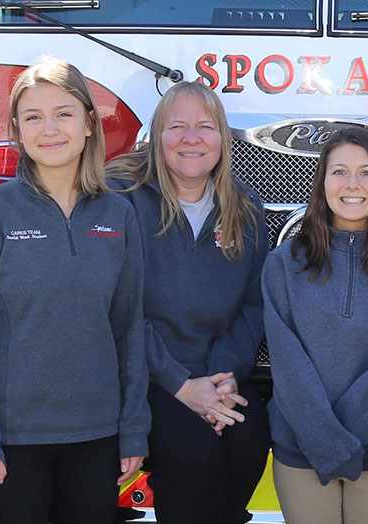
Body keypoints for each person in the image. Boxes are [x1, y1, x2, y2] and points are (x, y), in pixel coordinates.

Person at [0, 57, 149, 524]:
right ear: (17, 130)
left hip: (97, 439)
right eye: (33, 117)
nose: (50, 128)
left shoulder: (118, 216)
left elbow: (129, 329)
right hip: (11, 442)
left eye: (64, 113)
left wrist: (134, 430)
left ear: (89, 124)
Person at [108, 81, 271, 524]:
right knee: (192, 450)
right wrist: (182, 387)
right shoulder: (119, 199)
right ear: (157, 135)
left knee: (251, 438)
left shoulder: (245, 208)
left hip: (213, 370)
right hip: (143, 375)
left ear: (223, 138)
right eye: (177, 126)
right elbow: (115, 308)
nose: (192, 138)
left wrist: (223, 377)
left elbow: (254, 305)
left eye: (205, 126)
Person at [264, 127, 368, 524]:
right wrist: (324, 440)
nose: (352, 184)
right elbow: (287, 365)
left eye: (367, 172)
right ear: (322, 182)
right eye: (339, 172)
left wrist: (346, 443)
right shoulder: (284, 264)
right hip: (302, 451)